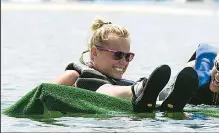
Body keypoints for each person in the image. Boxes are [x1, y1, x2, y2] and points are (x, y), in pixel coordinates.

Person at [50, 17, 199, 112]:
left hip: (121, 110)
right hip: (95, 113)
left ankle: (168, 96)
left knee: (145, 89)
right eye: (117, 55)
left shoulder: (121, 82)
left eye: (128, 56)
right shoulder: (76, 76)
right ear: (94, 53)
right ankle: (137, 91)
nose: (123, 61)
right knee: (106, 88)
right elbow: (41, 93)